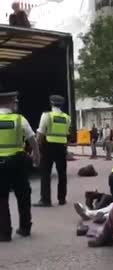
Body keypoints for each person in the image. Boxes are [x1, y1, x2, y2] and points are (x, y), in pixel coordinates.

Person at [0, 91, 40, 242]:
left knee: (1, 198)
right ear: (9, 102)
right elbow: (32, 139)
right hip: (17, 161)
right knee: (23, 194)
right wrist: (37, 156)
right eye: (14, 102)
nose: (16, 104)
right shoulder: (19, 119)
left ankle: (4, 233)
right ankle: (25, 228)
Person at [34, 95, 71, 207]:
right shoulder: (67, 117)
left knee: (45, 173)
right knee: (62, 173)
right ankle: (62, 199)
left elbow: (40, 133)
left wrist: (36, 148)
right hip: (61, 147)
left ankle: (46, 200)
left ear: (51, 103)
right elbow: (67, 133)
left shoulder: (47, 116)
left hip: (48, 146)